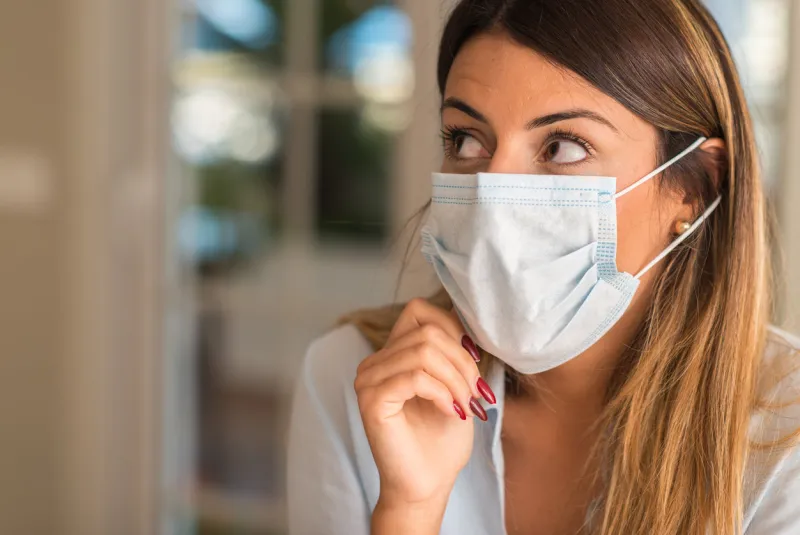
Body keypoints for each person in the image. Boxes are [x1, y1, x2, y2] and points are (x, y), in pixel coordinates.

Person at [287, 1, 800, 533]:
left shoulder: (787, 433)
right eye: (464, 138)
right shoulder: (356, 383)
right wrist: (410, 509)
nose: (492, 194)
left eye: (563, 147)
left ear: (693, 188)